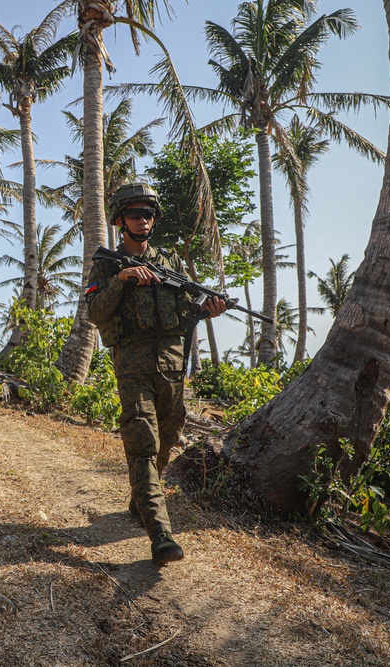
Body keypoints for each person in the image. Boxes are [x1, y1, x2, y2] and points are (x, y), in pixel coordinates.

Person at [85, 183, 227, 566]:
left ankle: (140, 500)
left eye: (148, 214)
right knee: (143, 442)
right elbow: (95, 314)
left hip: (171, 364)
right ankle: (160, 533)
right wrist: (122, 280)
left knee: (169, 436)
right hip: (132, 366)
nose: (143, 220)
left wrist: (207, 309)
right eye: (135, 214)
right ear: (120, 220)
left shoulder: (170, 264)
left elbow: (184, 313)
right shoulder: (106, 264)